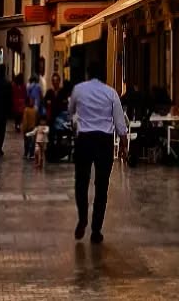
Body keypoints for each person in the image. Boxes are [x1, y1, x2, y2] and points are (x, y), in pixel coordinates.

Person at [67, 59, 128, 242]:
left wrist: (76, 127)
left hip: (84, 139)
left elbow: (71, 113)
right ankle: (96, 230)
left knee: (81, 182)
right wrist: (124, 147)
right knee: (101, 187)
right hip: (104, 141)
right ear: (104, 75)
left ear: (88, 73)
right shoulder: (111, 93)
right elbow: (120, 124)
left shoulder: (78, 89)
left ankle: (83, 218)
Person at [22, 72, 44, 158]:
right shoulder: (38, 86)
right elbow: (41, 97)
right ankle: (31, 152)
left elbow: (26, 96)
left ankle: (26, 151)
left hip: (29, 107)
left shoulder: (28, 86)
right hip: (36, 108)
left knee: (27, 131)